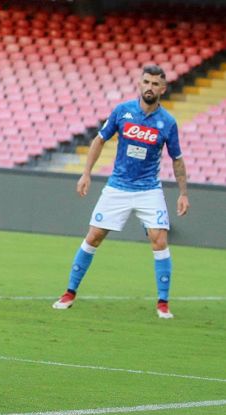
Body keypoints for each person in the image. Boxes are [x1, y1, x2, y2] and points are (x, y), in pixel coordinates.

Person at [52, 65, 189, 319]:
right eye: (146, 82)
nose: (149, 87)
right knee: (93, 236)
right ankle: (69, 292)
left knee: (159, 239)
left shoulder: (167, 123)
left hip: (149, 189)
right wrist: (86, 173)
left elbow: (177, 159)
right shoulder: (123, 112)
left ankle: (162, 303)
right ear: (139, 83)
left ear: (163, 88)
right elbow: (99, 140)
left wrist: (183, 193)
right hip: (118, 186)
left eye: (155, 84)